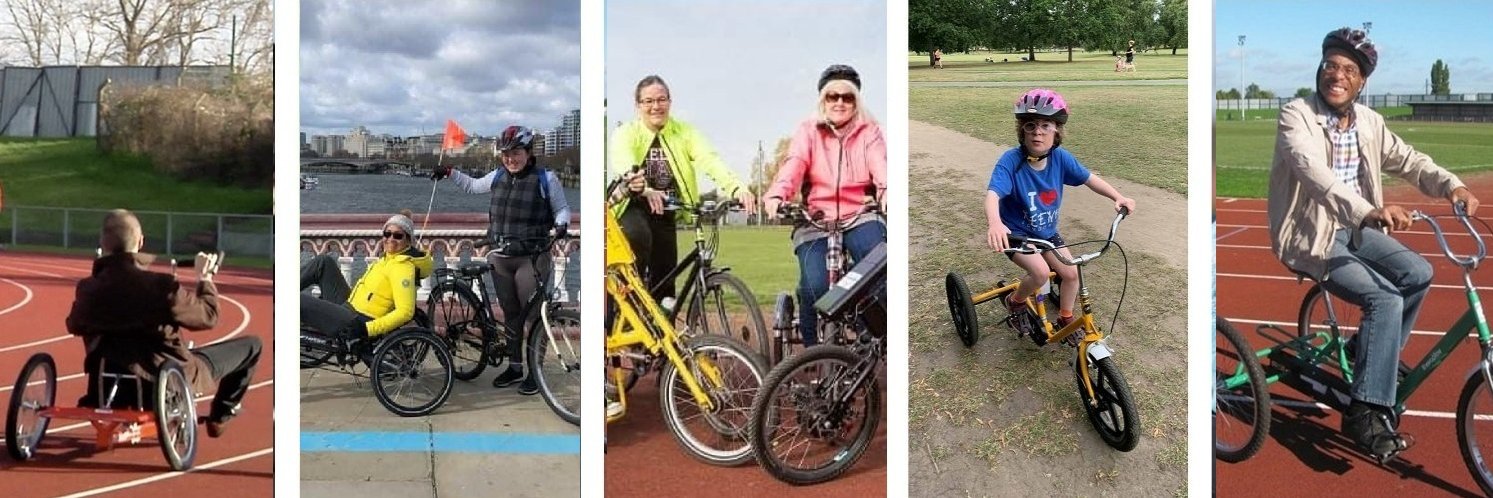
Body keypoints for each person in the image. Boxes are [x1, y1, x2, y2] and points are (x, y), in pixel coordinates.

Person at [1267, 27, 1479, 459]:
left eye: (1349, 69)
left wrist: (1451, 186)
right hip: (1312, 235)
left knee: (1418, 273)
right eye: (1330, 65)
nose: (1336, 75)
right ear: (1319, 68)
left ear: (1362, 81)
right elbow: (1314, 173)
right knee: (1385, 301)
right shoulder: (1296, 115)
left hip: (1358, 229)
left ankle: (1367, 353)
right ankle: (1365, 411)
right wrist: (1366, 210)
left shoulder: (1369, 122)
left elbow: (1409, 159)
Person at [66, 209, 261, 438]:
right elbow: (208, 316)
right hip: (163, 381)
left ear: (103, 243)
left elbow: (75, 325)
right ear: (140, 242)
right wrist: (205, 279)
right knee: (252, 345)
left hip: (108, 386)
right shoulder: (162, 286)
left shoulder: (89, 288)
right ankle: (220, 415)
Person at [985, 88, 1136, 341]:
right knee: (1041, 273)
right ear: (1022, 130)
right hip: (1016, 235)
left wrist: (1117, 196)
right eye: (1030, 125)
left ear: (1057, 130)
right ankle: (1016, 301)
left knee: (1071, 273)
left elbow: (1090, 179)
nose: (1038, 132)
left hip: (1047, 233)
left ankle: (1066, 317)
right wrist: (995, 223)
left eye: (1046, 125)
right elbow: (992, 195)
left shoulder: (1060, 159)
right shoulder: (1010, 161)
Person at [433, 125, 571, 393]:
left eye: (516, 153)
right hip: (500, 257)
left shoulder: (546, 178)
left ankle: (536, 372)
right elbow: (472, 186)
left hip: (531, 257)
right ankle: (515, 366)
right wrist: (449, 172)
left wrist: (561, 224)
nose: (510, 159)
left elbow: (562, 208)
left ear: (529, 153)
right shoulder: (497, 176)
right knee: (510, 314)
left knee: (534, 316)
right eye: (506, 154)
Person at [763, 64, 887, 347]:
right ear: (823, 100)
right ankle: (812, 348)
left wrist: (887, 189)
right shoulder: (808, 131)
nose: (840, 102)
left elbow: (880, 165)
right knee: (814, 285)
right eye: (833, 96)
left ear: (856, 101)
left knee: (877, 270)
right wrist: (776, 194)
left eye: (847, 96)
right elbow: (794, 164)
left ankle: (873, 335)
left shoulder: (870, 132)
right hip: (815, 218)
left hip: (860, 215)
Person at [609, 75, 756, 305]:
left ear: (670, 101)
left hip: (668, 208)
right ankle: (628, 299)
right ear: (638, 106)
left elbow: (709, 159)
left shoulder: (684, 132)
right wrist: (643, 187)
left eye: (661, 99)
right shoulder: (627, 132)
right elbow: (624, 161)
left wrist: (736, 187)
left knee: (667, 277)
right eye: (648, 101)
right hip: (634, 205)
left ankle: (661, 331)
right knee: (638, 237)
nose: (655, 106)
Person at [300, 211, 433, 352]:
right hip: (351, 305)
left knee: (298, 301)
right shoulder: (389, 258)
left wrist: (368, 329)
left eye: (398, 236)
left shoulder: (403, 267)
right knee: (323, 262)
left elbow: (405, 312)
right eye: (387, 234)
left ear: (408, 240)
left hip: (357, 321)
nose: (391, 239)